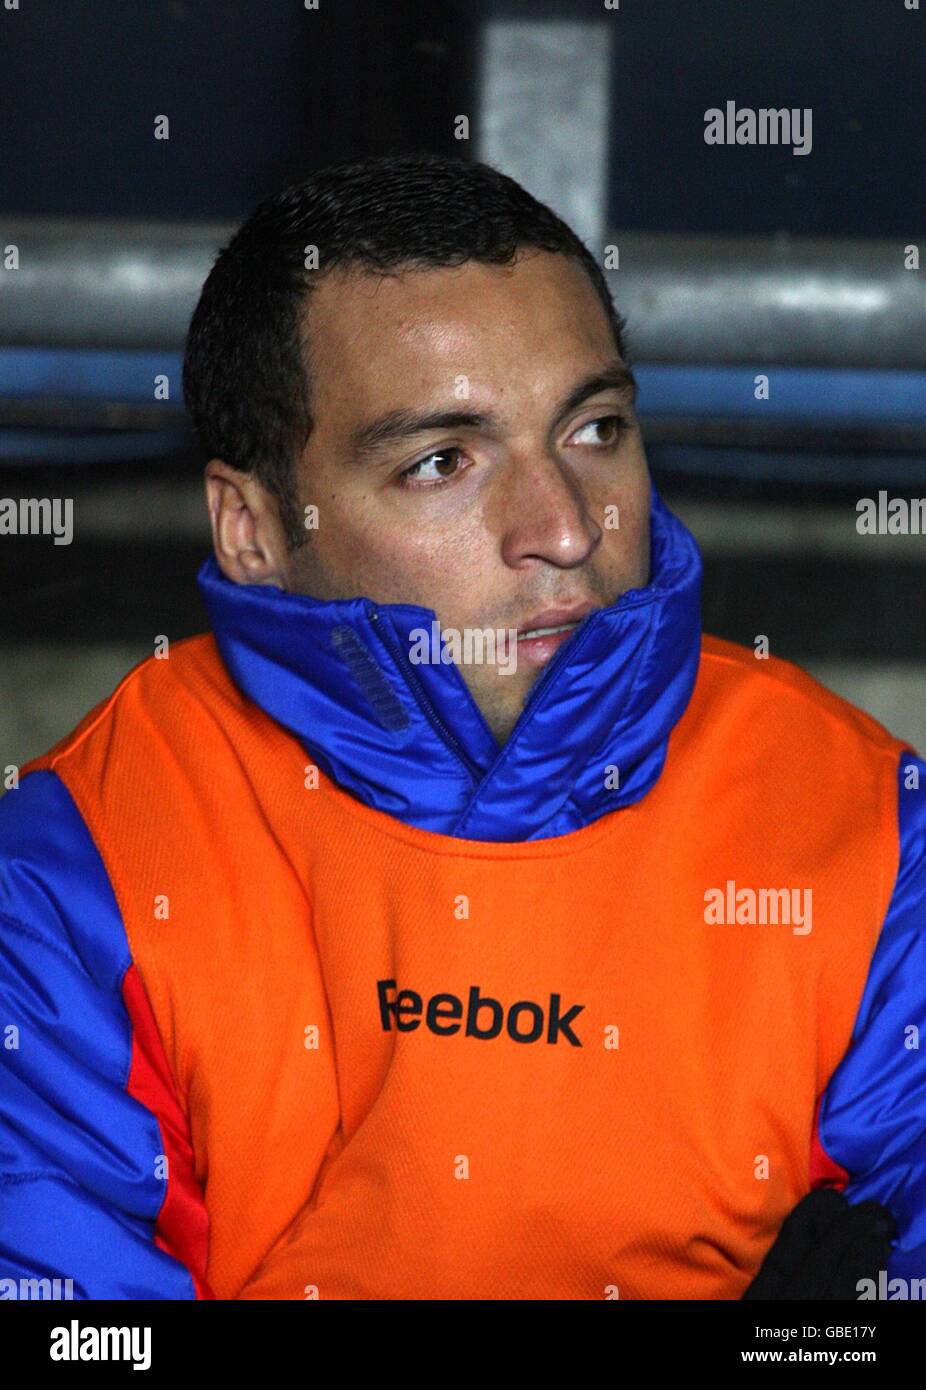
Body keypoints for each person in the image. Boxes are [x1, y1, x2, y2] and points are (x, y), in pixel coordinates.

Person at [0, 152, 922, 1301]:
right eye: (442, 461)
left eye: (591, 430)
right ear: (252, 527)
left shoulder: (872, 834)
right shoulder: (76, 864)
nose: (565, 529)